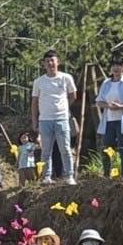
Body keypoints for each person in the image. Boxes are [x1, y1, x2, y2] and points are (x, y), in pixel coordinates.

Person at [30, 50, 78, 185]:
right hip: (45, 120)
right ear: (43, 64)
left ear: (58, 62)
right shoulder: (38, 82)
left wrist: (64, 107)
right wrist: (34, 122)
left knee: (66, 149)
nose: (50, 63)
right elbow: (34, 102)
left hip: (62, 118)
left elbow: (73, 95)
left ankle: (69, 175)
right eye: (47, 61)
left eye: (53, 60)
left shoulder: (66, 78)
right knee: (46, 150)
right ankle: (46, 176)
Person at [97, 57, 123, 178]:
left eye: (119, 65)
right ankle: (107, 174)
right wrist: (108, 105)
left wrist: (121, 106)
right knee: (107, 148)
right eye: (114, 65)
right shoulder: (106, 83)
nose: (116, 68)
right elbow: (99, 101)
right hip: (109, 119)